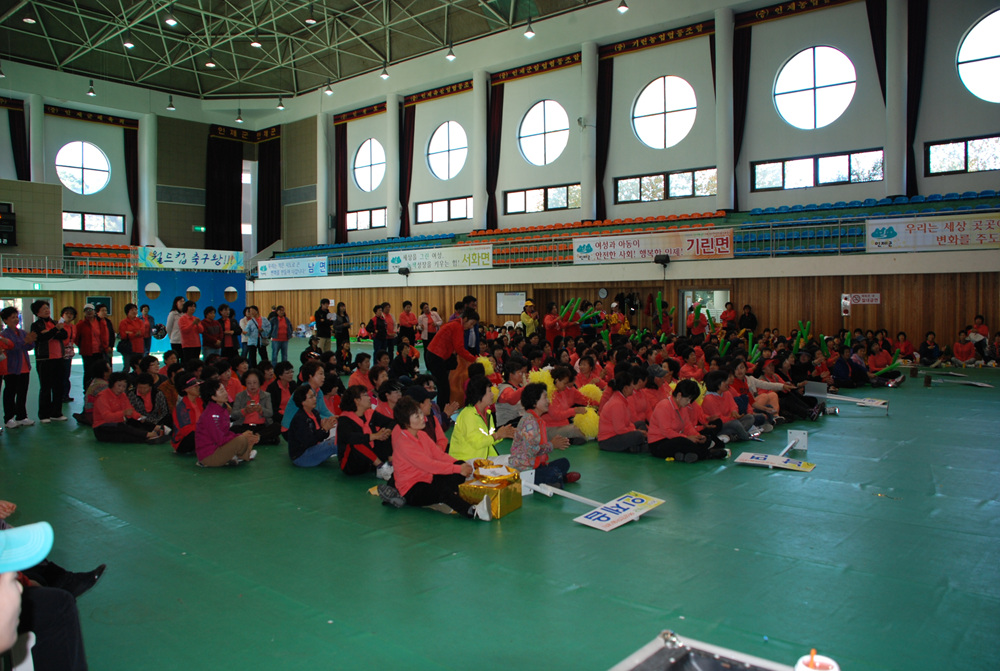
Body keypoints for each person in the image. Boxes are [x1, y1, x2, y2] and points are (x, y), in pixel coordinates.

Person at [378, 396, 491, 521]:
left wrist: (460, 465)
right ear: (406, 423)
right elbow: (429, 465)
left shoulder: (421, 434)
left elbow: (438, 455)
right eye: (417, 416)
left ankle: (447, 499)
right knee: (443, 490)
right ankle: (474, 512)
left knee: (459, 465)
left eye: (420, 413)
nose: (423, 418)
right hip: (411, 488)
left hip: (428, 477)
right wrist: (458, 469)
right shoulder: (404, 443)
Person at [510, 382, 580, 487]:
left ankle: (557, 478)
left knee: (564, 462)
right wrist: (552, 445)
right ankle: (558, 478)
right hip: (526, 469)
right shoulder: (529, 422)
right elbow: (531, 451)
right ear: (534, 402)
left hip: (538, 465)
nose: (548, 401)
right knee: (553, 473)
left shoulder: (537, 419)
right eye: (545, 398)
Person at [648, 379, 730, 462]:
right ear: (679, 395)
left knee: (705, 435)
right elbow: (666, 432)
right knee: (681, 441)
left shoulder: (683, 407)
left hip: (676, 439)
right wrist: (687, 438)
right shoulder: (664, 406)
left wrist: (697, 436)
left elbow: (687, 426)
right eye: (688, 399)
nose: (689, 402)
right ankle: (707, 454)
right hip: (658, 443)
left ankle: (685, 455)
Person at [449, 375, 516, 462]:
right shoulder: (467, 415)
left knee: (513, 460)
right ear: (480, 393)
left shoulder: (487, 413)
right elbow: (477, 442)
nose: (492, 394)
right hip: (465, 462)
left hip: (481, 459)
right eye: (489, 391)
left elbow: (489, 439)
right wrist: (497, 435)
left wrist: (503, 434)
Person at [195, 379, 259, 467]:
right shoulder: (211, 415)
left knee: (246, 435)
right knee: (241, 440)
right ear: (213, 397)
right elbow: (220, 440)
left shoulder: (222, 409)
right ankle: (242, 455)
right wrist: (241, 437)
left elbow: (225, 432)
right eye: (221, 391)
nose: (225, 393)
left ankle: (239, 455)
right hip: (209, 456)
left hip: (217, 449)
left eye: (224, 389)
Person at [425, 307, 480, 408]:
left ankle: (444, 413)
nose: (471, 327)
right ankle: (442, 414)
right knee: (444, 387)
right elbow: (460, 348)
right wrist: (475, 359)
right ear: (465, 319)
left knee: (444, 386)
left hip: (436, 356)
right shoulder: (457, 326)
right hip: (435, 356)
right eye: (471, 323)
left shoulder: (455, 324)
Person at [92, 373, 169, 443]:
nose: (121, 389)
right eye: (119, 385)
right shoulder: (102, 397)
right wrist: (123, 413)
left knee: (134, 423)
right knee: (123, 429)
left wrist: (139, 417)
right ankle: (148, 435)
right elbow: (107, 417)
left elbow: (130, 411)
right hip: (102, 428)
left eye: (124, 387)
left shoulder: (123, 395)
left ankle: (152, 434)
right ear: (112, 384)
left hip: (118, 425)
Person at [336, 385, 393, 476]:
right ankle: (381, 467)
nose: (369, 398)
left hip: (370, 462)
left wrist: (387, 431)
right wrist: (374, 436)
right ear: (357, 400)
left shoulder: (370, 414)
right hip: (352, 464)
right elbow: (349, 437)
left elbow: (391, 422)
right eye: (366, 395)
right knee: (357, 441)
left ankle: (391, 464)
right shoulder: (345, 419)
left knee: (386, 431)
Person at [29, 300, 68, 423]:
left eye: (47, 307)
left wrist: (52, 332)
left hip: (58, 358)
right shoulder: (36, 325)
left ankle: (56, 413)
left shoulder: (54, 322)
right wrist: (54, 331)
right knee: (45, 387)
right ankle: (44, 415)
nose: (47, 310)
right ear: (37, 312)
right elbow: (41, 338)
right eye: (43, 309)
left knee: (58, 387)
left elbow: (64, 335)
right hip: (45, 359)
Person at [285, 385, 338, 467]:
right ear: (303, 402)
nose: (314, 399)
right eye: (311, 397)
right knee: (335, 443)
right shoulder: (300, 419)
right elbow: (309, 442)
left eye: (314, 396)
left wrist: (326, 429)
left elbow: (321, 436)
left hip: (312, 448)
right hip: (302, 457)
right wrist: (323, 429)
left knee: (340, 438)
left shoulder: (314, 413)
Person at [1, 306, 35, 429]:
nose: (16, 319)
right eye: (12, 317)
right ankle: (8, 418)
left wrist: (30, 342)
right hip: (11, 368)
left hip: (25, 367)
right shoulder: (4, 335)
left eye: (16, 317)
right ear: (5, 320)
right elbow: (12, 346)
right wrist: (25, 342)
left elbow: (29, 346)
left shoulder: (21, 332)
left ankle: (21, 416)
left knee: (22, 393)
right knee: (10, 393)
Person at [541, 366, 594, 444]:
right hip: (551, 429)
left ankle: (571, 439)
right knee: (576, 430)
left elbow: (566, 410)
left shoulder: (562, 392)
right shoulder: (550, 395)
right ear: (557, 381)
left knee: (583, 424)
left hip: (563, 425)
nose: (566, 386)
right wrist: (575, 410)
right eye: (564, 383)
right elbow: (556, 415)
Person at [597, 372, 647, 453]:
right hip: (608, 440)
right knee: (638, 435)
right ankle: (636, 446)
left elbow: (628, 422)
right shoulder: (617, 403)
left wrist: (634, 428)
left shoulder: (622, 399)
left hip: (616, 434)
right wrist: (635, 431)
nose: (633, 388)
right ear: (625, 388)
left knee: (641, 424)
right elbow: (620, 430)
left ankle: (635, 446)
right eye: (631, 385)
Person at [280, 361, 336, 431]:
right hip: (291, 428)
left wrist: (334, 417)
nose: (323, 377)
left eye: (323, 374)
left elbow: (324, 410)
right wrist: (330, 419)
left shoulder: (319, 391)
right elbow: (312, 414)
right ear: (310, 376)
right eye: (320, 374)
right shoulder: (304, 391)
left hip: (307, 424)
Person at [232, 369, 281, 444]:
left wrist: (261, 410)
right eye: (249, 383)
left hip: (261, 427)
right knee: (233, 429)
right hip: (245, 426)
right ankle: (260, 439)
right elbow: (234, 415)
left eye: (255, 382)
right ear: (245, 383)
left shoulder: (266, 395)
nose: (252, 385)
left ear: (259, 382)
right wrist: (244, 411)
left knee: (277, 426)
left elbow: (270, 413)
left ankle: (253, 438)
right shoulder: (239, 396)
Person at [171, 375, 203, 454]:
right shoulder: (181, 408)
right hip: (183, 441)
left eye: (198, 386)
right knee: (194, 435)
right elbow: (186, 430)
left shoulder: (201, 402)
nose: (198, 388)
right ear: (187, 389)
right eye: (195, 386)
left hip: (200, 433)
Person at [116, 303, 145, 371]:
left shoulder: (140, 321)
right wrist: (136, 333)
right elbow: (123, 335)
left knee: (140, 368)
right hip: (128, 349)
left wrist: (130, 332)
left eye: (135, 310)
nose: (134, 311)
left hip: (139, 348)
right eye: (132, 310)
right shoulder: (123, 322)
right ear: (127, 311)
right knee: (127, 367)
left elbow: (142, 332)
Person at [59, 306, 78, 403]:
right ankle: (60, 395)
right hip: (59, 352)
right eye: (67, 313)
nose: (69, 315)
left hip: (69, 353)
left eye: (71, 314)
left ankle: (65, 395)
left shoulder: (73, 327)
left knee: (66, 375)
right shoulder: (59, 325)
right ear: (62, 315)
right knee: (60, 375)